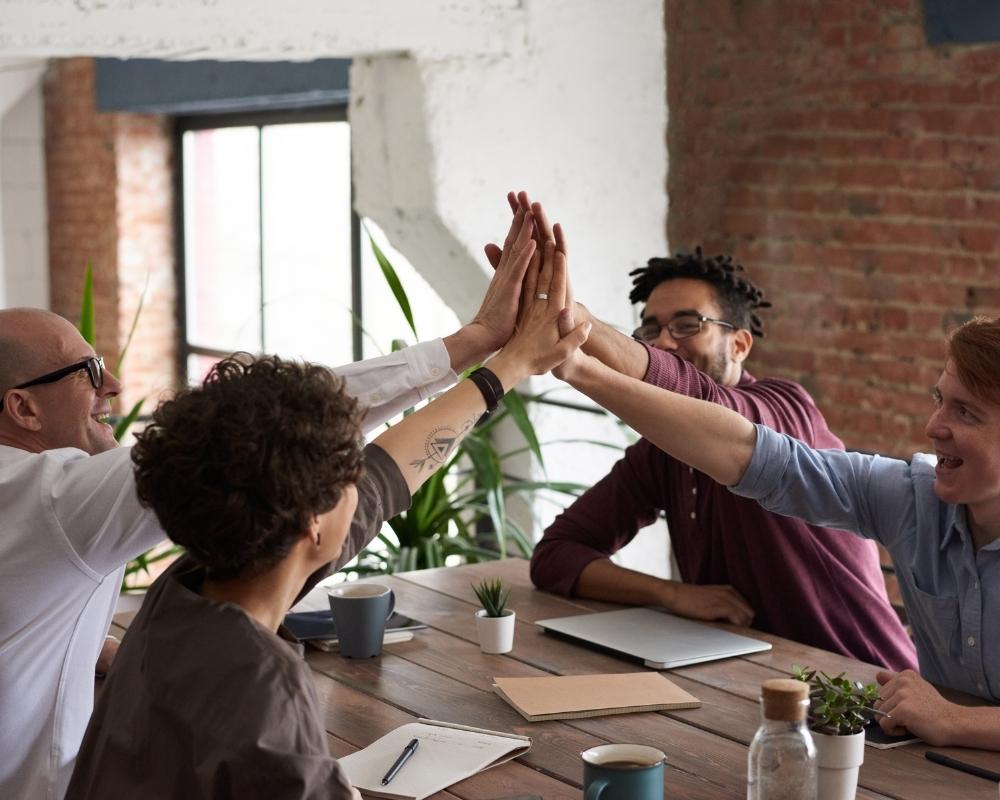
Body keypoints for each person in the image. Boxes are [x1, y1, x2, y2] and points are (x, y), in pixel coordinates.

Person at [0, 202, 540, 800]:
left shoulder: (172, 604)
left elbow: (364, 476)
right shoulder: (54, 501)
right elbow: (286, 436)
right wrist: (491, 356)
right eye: (89, 369)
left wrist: (494, 361)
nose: (114, 384)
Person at [554, 307, 1000, 749]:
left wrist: (955, 719)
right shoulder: (911, 498)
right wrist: (577, 369)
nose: (934, 427)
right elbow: (755, 456)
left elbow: (723, 412)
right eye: (939, 400)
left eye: (966, 413)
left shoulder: (784, 403)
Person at [502, 198, 913, 669]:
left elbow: (703, 401)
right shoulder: (660, 453)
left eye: (687, 325)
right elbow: (556, 555)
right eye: (650, 329)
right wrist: (671, 593)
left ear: (739, 345)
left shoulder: (785, 408)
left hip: (863, 683)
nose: (664, 341)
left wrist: (576, 323)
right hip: (741, 679)